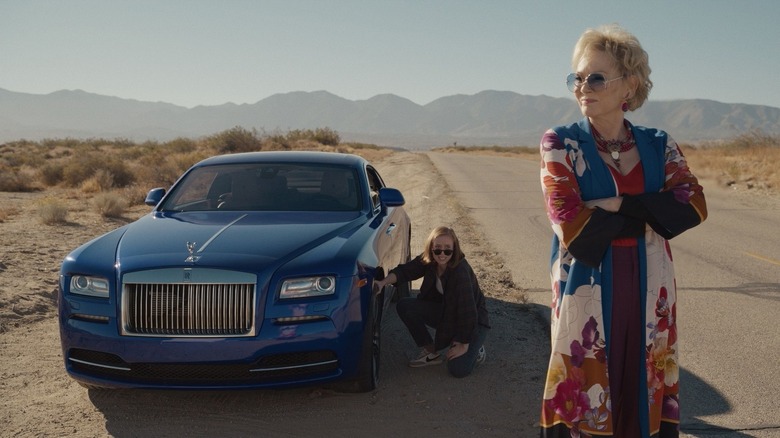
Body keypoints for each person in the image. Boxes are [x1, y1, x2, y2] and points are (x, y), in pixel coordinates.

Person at [538, 25, 707, 438]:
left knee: (642, 380)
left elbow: (694, 205)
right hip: (587, 282)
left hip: (652, 285)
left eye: (595, 77)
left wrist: (616, 205)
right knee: (589, 385)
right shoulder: (560, 143)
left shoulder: (657, 143)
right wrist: (651, 212)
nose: (583, 87)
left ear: (629, 83)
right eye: (576, 78)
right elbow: (572, 224)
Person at [374, 226, 490, 378]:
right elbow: (405, 271)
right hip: (448, 313)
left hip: (473, 321)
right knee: (406, 306)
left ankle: (477, 348)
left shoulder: (460, 273)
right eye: (438, 249)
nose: (442, 254)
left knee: (457, 369)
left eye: (447, 250)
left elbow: (468, 311)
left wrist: (463, 344)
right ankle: (431, 352)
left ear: (454, 249)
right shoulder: (430, 260)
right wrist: (383, 283)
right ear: (431, 248)